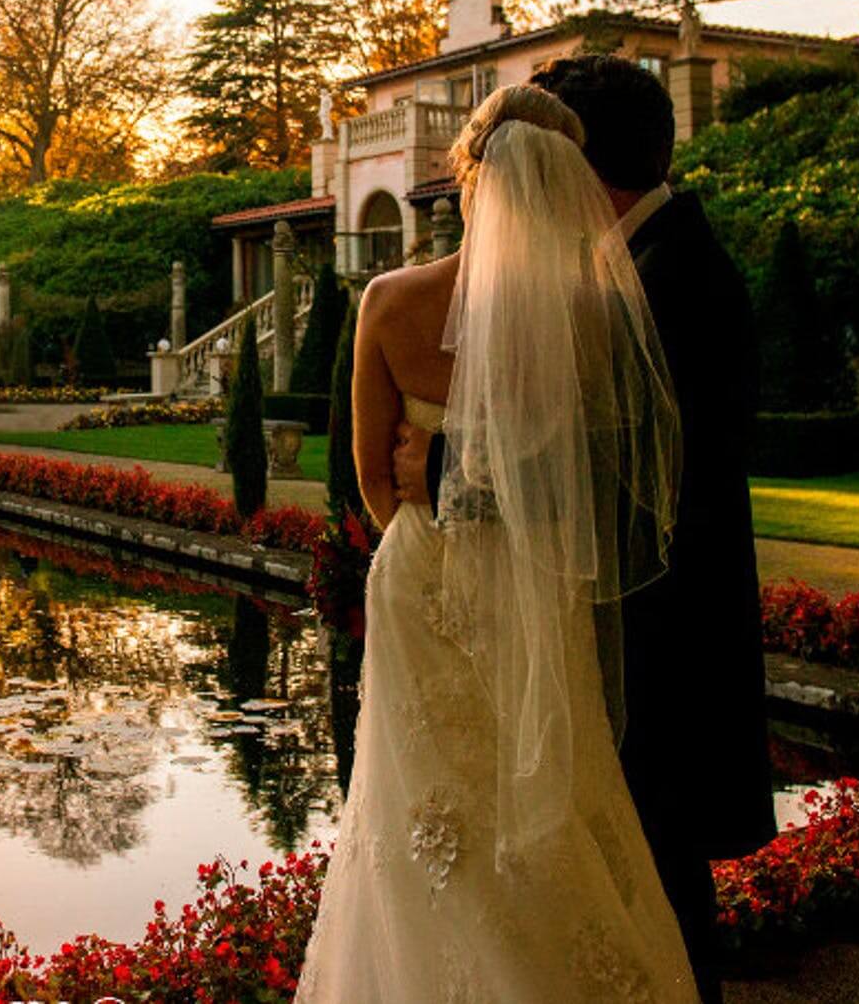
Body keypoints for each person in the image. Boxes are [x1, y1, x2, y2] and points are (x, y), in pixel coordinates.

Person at [296, 85, 696, 1003]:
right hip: (534, 582)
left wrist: (432, 525)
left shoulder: (390, 301)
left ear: (466, 176)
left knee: (415, 807)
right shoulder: (589, 314)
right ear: (563, 182)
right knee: (546, 791)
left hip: (422, 573)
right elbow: (580, 486)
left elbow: (369, 478)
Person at [390, 55, 773, 1001]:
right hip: (645, 626)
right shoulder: (645, 259)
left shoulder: (665, 278)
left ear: (578, 160)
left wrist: (437, 468)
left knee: (659, 889)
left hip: (664, 641)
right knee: (639, 889)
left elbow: (613, 480)